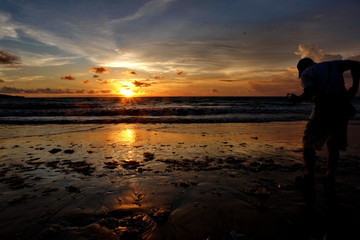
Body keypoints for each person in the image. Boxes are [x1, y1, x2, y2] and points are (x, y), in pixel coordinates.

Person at [287, 57, 359, 192]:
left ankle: (309, 175)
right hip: (341, 109)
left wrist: (296, 98)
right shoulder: (334, 64)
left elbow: (309, 93)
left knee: (308, 144)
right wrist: (354, 87)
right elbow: (356, 65)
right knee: (333, 144)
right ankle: (330, 175)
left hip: (323, 110)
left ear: (302, 68)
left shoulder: (306, 73)